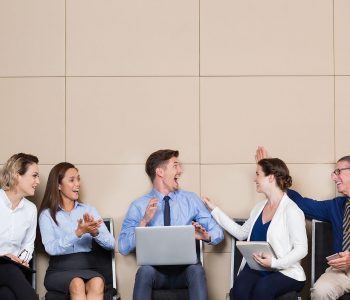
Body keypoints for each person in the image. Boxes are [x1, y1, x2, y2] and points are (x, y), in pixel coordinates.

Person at [118, 149, 224, 300]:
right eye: (175, 166)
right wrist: (144, 221)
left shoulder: (190, 200)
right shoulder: (139, 206)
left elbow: (218, 233)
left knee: (197, 270)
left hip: (186, 271)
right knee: (144, 272)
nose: (180, 171)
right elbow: (122, 247)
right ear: (160, 172)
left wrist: (207, 236)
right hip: (155, 273)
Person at [202, 157, 308, 300]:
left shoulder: (292, 211)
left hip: (285, 271)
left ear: (271, 178)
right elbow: (241, 233)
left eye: (258, 174)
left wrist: (275, 263)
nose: (254, 179)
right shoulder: (258, 208)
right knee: (239, 290)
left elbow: (302, 249)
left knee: (263, 289)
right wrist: (214, 209)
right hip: (258, 268)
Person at [256, 146, 350, 300]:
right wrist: (271, 174)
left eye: (338, 171)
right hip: (339, 271)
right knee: (319, 292)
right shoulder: (336, 206)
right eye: (334, 173)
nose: (334, 177)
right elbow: (300, 203)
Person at [38, 162, 115, 300]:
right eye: (72, 180)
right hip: (59, 270)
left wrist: (94, 233)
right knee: (77, 283)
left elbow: (111, 244)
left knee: (97, 283)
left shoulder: (89, 210)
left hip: (88, 267)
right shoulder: (46, 215)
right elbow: (51, 248)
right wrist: (77, 233)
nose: (78, 184)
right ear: (58, 185)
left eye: (78, 179)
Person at [0, 153, 40, 300]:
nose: (38, 181)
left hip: (15, 271)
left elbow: (28, 245)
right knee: (10, 271)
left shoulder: (31, 210)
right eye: (34, 176)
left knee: (7, 296)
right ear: (17, 175)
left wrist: (21, 260)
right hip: (10, 271)